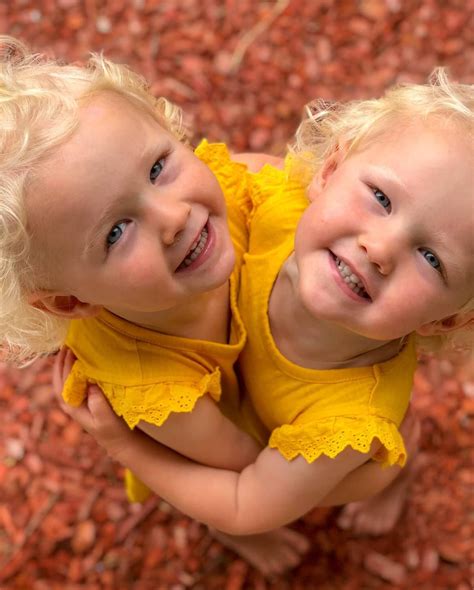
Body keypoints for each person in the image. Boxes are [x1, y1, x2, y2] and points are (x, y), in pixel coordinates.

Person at [56, 70, 473, 537]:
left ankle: (395, 479)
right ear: (329, 172)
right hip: (233, 407)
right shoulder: (277, 203)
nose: (380, 248)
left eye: (432, 259)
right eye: (380, 198)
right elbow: (232, 172)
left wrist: (125, 447)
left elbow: (243, 503)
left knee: (376, 460)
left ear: (450, 318)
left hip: (299, 445)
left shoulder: (346, 424)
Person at [0, 35, 312, 575]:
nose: (172, 217)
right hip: (221, 438)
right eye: (117, 232)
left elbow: (313, 203)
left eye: (157, 169)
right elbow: (242, 464)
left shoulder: (238, 187)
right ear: (71, 300)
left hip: (266, 360)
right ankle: (228, 534)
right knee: (221, 489)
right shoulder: (153, 387)